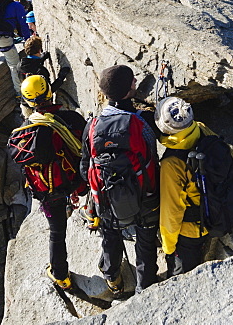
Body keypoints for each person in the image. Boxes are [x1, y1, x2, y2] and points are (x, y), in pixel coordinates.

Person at [80, 65, 159, 295]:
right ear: (128, 90)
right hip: (146, 198)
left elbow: (85, 166)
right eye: (133, 81)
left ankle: (112, 277)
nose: (136, 82)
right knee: (145, 244)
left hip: (106, 199)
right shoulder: (143, 121)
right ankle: (145, 289)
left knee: (110, 235)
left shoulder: (92, 126)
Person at [9, 75, 88, 291]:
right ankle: (92, 213)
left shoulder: (24, 131)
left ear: (27, 102)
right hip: (79, 179)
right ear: (49, 93)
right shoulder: (72, 118)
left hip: (48, 191)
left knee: (57, 233)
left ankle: (61, 276)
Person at [156, 97, 217, 275]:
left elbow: (171, 212)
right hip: (215, 210)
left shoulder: (172, 163)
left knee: (182, 277)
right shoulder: (201, 129)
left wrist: (168, 248)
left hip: (191, 231)